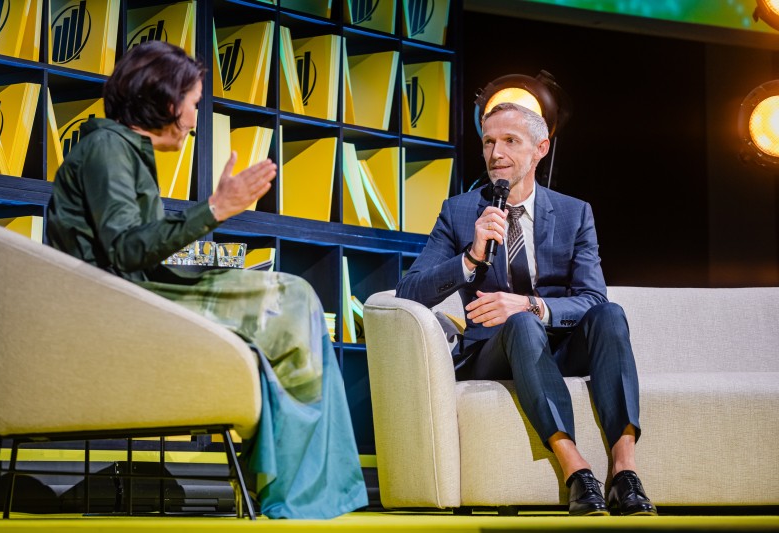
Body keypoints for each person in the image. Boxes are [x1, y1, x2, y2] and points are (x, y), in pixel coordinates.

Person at [46, 41, 368, 519]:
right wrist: (215, 208)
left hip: (129, 299)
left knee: (292, 300)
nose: (196, 119)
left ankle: (296, 487)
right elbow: (125, 250)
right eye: (194, 104)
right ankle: (300, 492)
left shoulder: (119, 150)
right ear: (166, 102)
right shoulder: (108, 149)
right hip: (119, 309)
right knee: (291, 299)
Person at [395, 102, 657, 517]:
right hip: (494, 351)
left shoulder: (574, 213)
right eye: (488, 142)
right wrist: (470, 257)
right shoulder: (459, 211)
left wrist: (532, 305)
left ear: (540, 149)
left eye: (509, 141)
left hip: (559, 345)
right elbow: (409, 292)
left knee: (610, 315)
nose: (496, 153)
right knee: (520, 324)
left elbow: (593, 299)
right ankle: (577, 469)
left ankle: (625, 471)